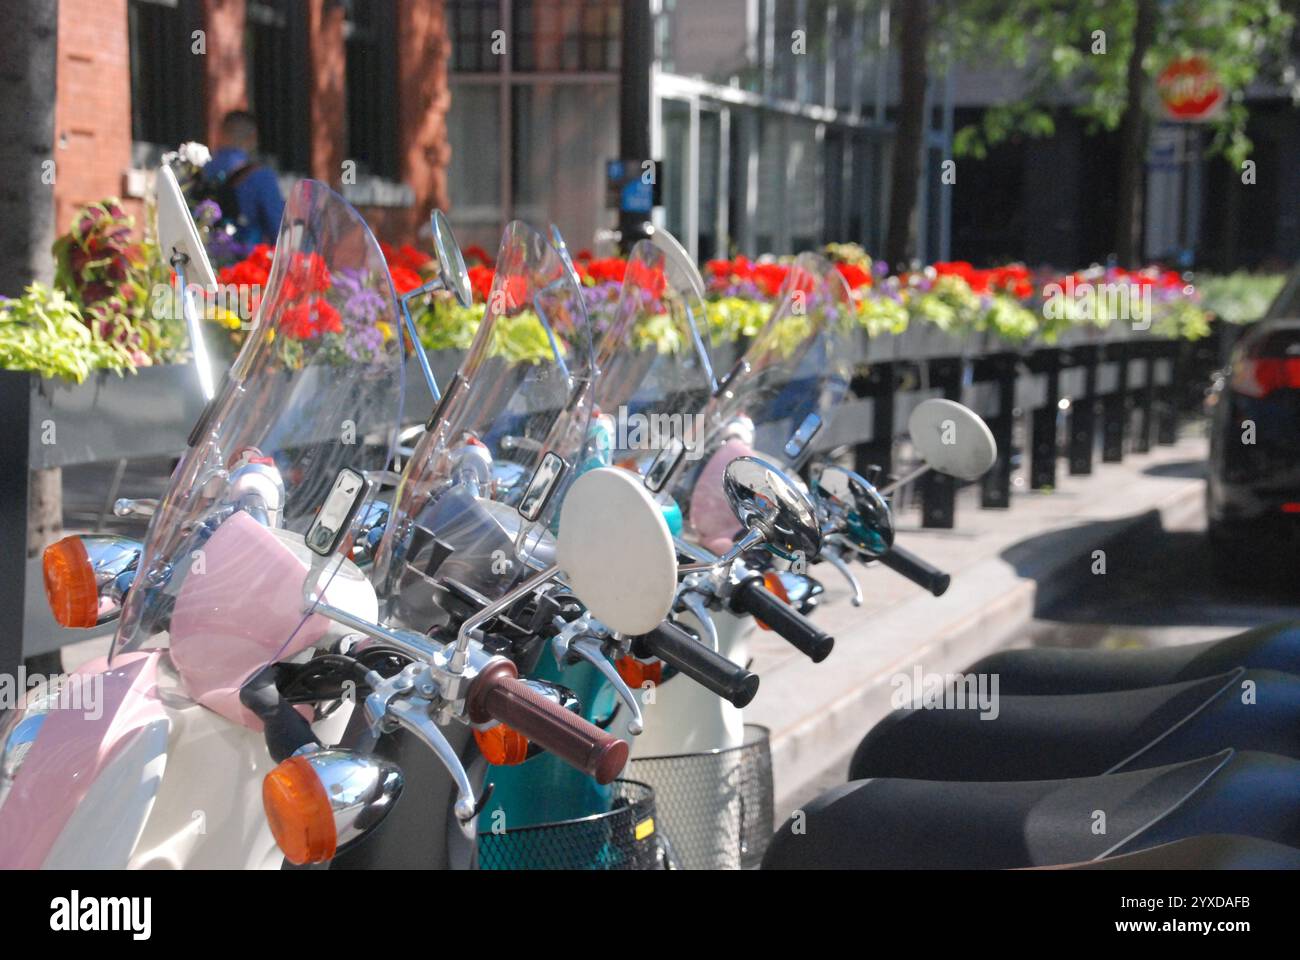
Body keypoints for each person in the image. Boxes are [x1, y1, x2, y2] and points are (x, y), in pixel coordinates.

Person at [203, 110, 286, 245]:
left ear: (221, 134)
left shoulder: (201, 171)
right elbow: (277, 228)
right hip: (246, 261)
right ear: (253, 138)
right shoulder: (261, 177)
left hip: (204, 257)